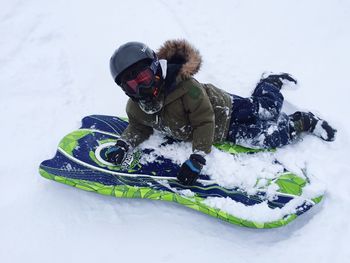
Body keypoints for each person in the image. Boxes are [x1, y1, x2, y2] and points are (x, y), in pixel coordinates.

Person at [106, 39, 336, 185]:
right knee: (265, 130)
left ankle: (299, 117)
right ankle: (277, 100)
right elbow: (138, 126)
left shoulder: (187, 89)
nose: (142, 88)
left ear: (156, 70)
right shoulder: (136, 106)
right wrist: (124, 144)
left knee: (268, 114)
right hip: (216, 122)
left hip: (225, 111)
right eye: (133, 85)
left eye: (144, 78)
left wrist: (197, 158)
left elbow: (205, 121)